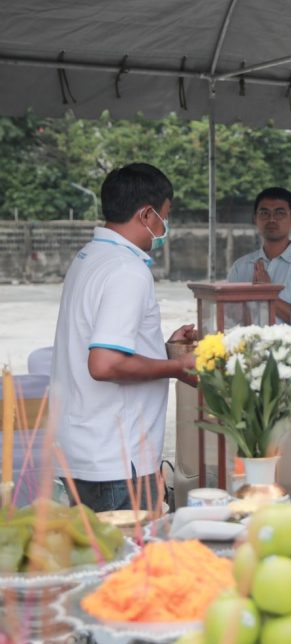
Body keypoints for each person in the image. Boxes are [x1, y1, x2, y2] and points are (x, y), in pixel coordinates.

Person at [50, 163, 196, 512]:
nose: (164, 228)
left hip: (84, 448)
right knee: (128, 546)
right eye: (164, 217)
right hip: (116, 459)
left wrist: (162, 350)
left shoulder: (90, 257)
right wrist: (178, 367)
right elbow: (105, 364)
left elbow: (100, 344)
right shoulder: (127, 270)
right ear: (146, 214)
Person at [228, 187, 291, 442]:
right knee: (251, 444)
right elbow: (229, 319)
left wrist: (268, 294)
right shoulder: (241, 267)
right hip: (251, 364)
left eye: (280, 213)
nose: (271, 219)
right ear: (255, 219)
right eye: (264, 213)